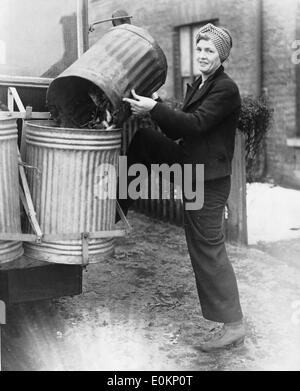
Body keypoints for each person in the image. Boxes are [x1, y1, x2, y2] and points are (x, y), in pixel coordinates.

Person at [121, 23, 246, 352]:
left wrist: (154, 108)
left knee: (208, 250)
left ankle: (234, 326)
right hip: (193, 170)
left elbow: (195, 125)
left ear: (222, 56)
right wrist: (156, 104)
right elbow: (179, 131)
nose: (203, 55)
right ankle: (118, 207)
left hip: (208, 181)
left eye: (210, 51)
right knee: (145, 140)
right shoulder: (200, 85)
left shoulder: (225, 89)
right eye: (200, 49)